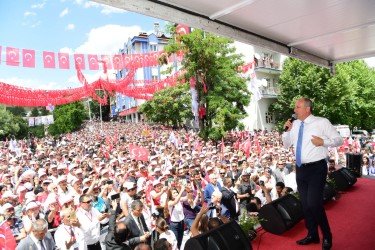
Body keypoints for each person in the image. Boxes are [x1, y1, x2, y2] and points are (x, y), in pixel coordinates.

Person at [282, 97, 343, 250]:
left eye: (297, 107)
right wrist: (286, 131)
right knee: (306, 205)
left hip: (317, 168)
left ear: (307, 109)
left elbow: (338, 140)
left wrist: (323, 142)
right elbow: (286, 145)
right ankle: (312, 234)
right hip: (301, 168)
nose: (294, 110)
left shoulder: (322, 122)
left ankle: (327, 236)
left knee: (314, 204)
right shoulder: (295, 124)